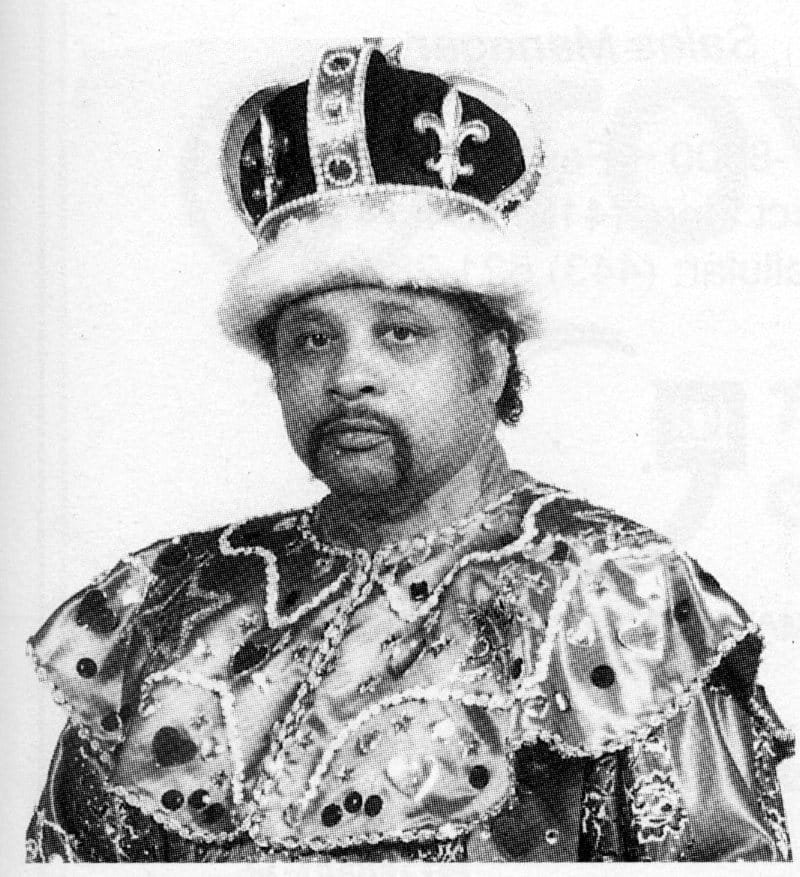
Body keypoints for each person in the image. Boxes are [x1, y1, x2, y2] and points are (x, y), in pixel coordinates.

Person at [26, 39, 793, 863]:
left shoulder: (620, 599)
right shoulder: (168, 602)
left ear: (489, 362)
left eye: (399, 332)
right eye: (312, 338)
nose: (348, 375)